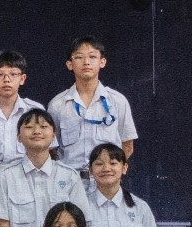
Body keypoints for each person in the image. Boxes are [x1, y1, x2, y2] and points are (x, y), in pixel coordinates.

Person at [52, 37, 138, 174]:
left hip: (106, 179)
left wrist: (110, 172)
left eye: (92, 57)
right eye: (79, 57)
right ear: (69, 64)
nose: (86, 62)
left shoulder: (118, 101)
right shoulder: (57, 104)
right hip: (70, 180)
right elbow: (51, 148)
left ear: (102, 62)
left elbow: (127, 145)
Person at [0, 50, 43, 178]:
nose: (7, 80)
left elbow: (47, 150)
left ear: (22, 79)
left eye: (13, 74)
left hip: (27, 175)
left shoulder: (35, 111)